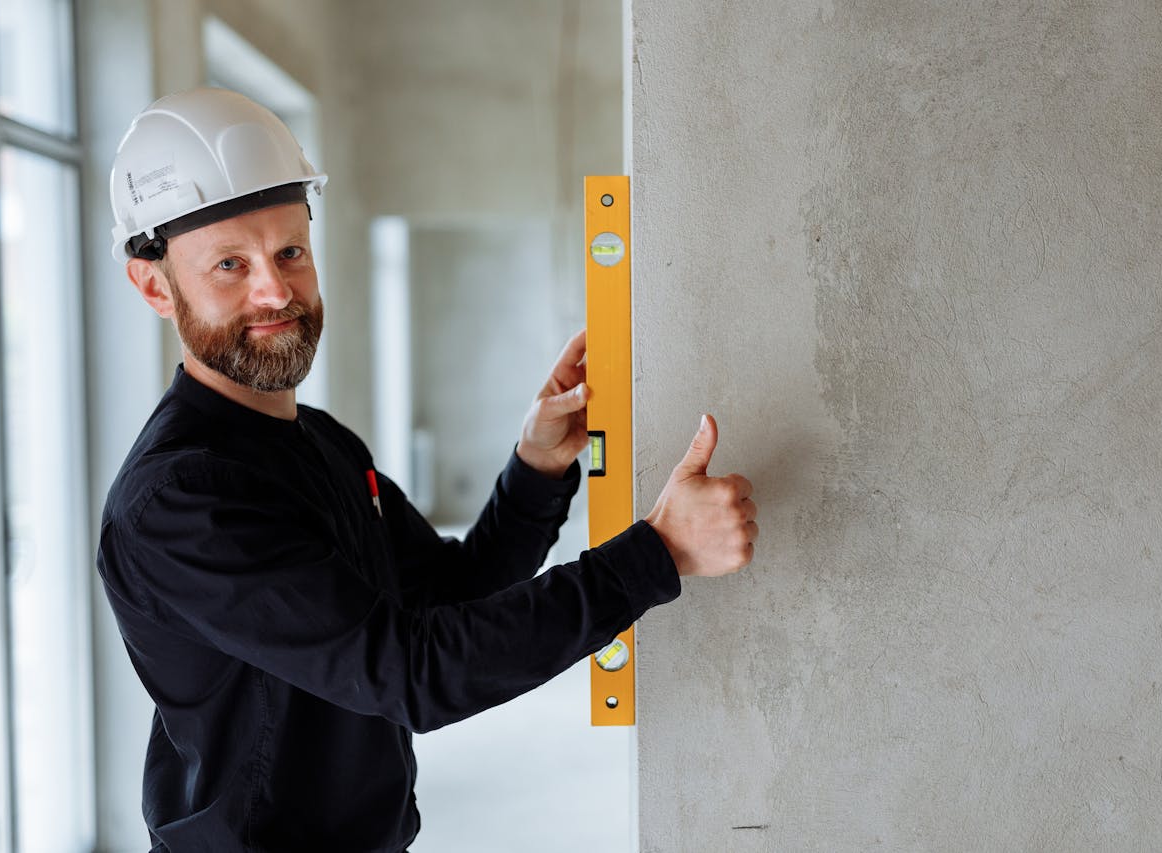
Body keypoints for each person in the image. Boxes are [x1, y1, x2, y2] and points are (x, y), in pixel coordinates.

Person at [96, 87, 758, 852]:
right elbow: (410, 672)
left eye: (289, 252)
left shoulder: (322, 443)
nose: (275, 289)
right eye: (229, 265)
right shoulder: (179, 502)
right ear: (154, 285)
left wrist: (536, 469)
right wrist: (656, 554)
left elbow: (451, 593)